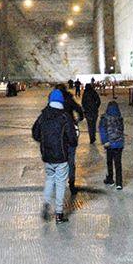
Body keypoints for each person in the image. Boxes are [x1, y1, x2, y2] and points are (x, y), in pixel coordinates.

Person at [31, 88, 77, 224]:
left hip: (47, 156)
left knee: (50, 180)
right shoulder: (65, 117)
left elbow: (35, 133)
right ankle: (59, 214)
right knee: (61, 184)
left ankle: (46, 203)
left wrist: (45, 141)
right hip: (61, 157)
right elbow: (72, 138)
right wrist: (69, 143)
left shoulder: (43, 115)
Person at [58, 83, 84, 195]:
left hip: (58, 134)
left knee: (58, 160)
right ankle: (72, 183)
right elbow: (78, 109)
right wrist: (79, 119)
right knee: (71, 160)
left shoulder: (54, 102)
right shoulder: (69, 99)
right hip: (70, 131)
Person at [99, 101, 124, 190]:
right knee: (118, 163)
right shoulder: (119, 118)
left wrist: (105, 141)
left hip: (109, 144)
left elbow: (102, 130)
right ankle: (119, 183)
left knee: (109, 162)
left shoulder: (105, 118)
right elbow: (121, 130)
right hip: (119, 144)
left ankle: (110, 179)